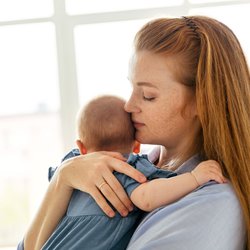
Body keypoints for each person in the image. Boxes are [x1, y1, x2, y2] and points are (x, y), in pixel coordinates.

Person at [21, 15, 249, 250]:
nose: (128, 106)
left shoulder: (210, 203)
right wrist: (63, 178)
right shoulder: (129, 167)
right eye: (132, 88)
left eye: (148, 95)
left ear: (202, 101)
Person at [20, 95, 226, 249]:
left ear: (81, 147)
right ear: (136, 146)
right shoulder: (126, 170)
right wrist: (193, 177)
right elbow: (147, 198)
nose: (132, 102)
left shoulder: (72, 164)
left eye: (148, 95)